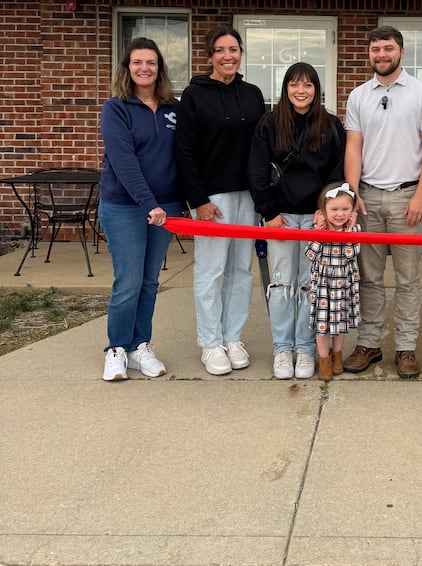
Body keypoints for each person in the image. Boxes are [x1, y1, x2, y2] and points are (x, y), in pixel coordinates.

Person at [343, 26, 422, 379]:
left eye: (388, 48)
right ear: (369, 54)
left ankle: (405, 347)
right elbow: (353, 146)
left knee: (407, 278)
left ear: (401, 51)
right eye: (375, 49)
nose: (381, 54)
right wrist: (352, 192)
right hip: (367, 197)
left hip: (407, 197)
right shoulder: (358, 96)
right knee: (369, 277)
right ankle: (368, 343)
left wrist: (421, 195)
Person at [175, 24, 265, 375]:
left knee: (241, 270)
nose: (228, 56)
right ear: (210, 56)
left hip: (247, 196)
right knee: (211, 271)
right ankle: (211, 342)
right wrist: (198, 198)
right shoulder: (194, 95)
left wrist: (263, 196)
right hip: (212, 197)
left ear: (241, 53)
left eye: (233, 49)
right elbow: (184, 151)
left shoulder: (253, 94)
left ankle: (232, 337)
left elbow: (261, 147)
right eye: (220, 50)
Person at [248, 62, 346, 380]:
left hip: (316, 218)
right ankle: (282, 348)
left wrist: (325, 209)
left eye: (307, 85)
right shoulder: (269, 123)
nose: (300, 91)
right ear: (285, 88)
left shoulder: (330, 125)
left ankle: (305, 348)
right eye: (294, 84)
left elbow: (336, 172)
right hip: (281, 217)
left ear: (316, 89)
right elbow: (257, 169)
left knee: (309, 285)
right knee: (280, 284)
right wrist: (269, 212)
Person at [98, 37, 182, 382]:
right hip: (125, 207)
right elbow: (123, 161)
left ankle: (139, 346)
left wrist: (186, 201)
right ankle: (116, 349)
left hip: (167, 207)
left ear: (159, 69)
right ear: (127, 68)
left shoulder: (173, 108)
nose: (144, 68)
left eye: (151, 62)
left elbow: (184, 156)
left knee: (149, 281)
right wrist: (150, 204)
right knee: (129, 282)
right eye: (137, 62)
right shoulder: (116, 108)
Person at [306, 181, 361, 381]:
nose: (340, 214)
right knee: (323, 324)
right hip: (323, 283)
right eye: (334, 209)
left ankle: (337, 354)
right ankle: (324, 359)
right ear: (323, 210)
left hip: (344, 282)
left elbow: (351, 254)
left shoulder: (354, 230)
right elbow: (310, 254)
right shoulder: (316, 228)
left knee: (340, 321)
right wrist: (320, 234)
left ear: (352, 211)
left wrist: (349, 231)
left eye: (345, 209)